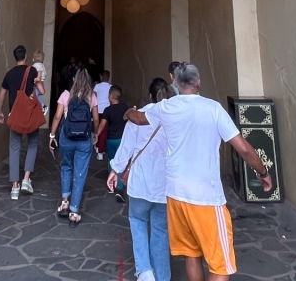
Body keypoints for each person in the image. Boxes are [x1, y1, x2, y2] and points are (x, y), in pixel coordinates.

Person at [125, 64, 274, 281]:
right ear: (199, 82)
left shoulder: (167, 107)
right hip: (206, 198)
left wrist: (128, 111)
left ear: (176, 82)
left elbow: (139, 118)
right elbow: (243, 148)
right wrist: (263, 172)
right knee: (220, 265)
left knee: (191, 254)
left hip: (175, 194)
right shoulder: (212, 109)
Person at [108, 78, 172, 281]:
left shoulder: (138, 117)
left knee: (137, 221)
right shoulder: (174, 118)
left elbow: (126, 148)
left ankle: (145, 271)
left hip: (140, 183)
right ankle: (162, 276)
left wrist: (115, 171)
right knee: (161, 230)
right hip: (164, 185)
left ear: (150, 95)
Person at [49, 68, 100, 226]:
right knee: (80, 173)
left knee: (66, 167)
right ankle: (74, 211)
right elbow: (96, 118)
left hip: (67, 137)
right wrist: (95, 133)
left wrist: (52, 135)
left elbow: (57, 117)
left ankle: (64, 202)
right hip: (84, 138)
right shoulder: (91, 96)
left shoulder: (66, 95)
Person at [0, 45, 44, 200]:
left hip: (14, 115)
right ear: (26, 56)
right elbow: (41, 91)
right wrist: (37, 81)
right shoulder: (32, 71)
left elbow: (2, 94)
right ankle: (26, 179)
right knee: (32, 143)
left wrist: (0, 111)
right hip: (29, 114)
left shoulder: (9, 74)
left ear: (14, 57)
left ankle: (14, 187)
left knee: (15, 148)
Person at [97, 85, 129, 201]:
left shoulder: (107, 110)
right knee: (121, 161)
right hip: (122, 139)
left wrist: (96, 135)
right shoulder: (125, 107)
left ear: (110, 96)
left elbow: (102, 125)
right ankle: (119, 186)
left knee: (111, 159)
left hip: (111, 139)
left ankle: (111, 184)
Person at [93, 70, 112, 160]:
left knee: (97, 128)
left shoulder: (97, 86)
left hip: (97, 110)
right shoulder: (111, 88)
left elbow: (94, 97)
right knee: (103, 131)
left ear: (101, 77)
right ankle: (100, 152)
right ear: (108, 78)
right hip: (106, 111)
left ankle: (97, 146)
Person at [32, 50, 48, 115]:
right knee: (36, 95)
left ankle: (43, 105)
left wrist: (37, 79)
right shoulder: (41, 65)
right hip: (41, 83)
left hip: (38, 83)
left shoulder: (37, 65)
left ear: (33, 59)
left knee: (35, 94)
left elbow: (39, 73)